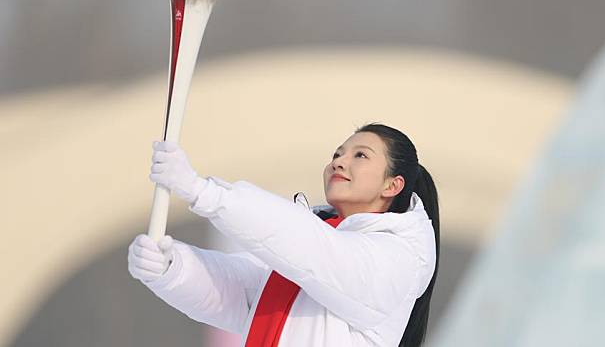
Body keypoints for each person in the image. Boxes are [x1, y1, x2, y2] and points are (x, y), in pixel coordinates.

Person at [128, 123, 440, 346]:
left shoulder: (398, 257)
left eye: (361, 156)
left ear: (392, 185)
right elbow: (241, 293)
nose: (339, 161)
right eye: (338, 153)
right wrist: (172, 268)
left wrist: (203, 192)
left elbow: (316, 252)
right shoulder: (316, 242)